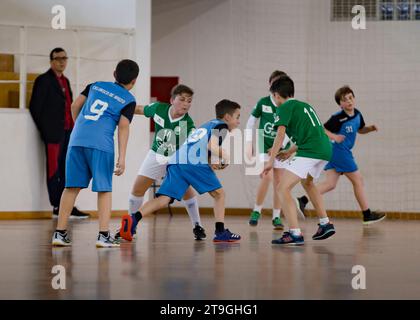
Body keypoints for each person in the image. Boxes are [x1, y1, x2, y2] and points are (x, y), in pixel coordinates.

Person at [118, 99, 242, 243]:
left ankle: (133, 219)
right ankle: (220, 232)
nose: (238, 121)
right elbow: (212, 145)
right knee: (219, 195)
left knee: (164, 199)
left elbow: (201, 147)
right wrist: (226, 156)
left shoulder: (207, 125)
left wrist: (211, 161)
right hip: (191, 162)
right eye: (237, 117)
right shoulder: (222, 126)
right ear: (227, 117)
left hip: (176, 160)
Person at [51, 59, 139, 248]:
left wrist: (80, 130)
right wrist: (122, 157)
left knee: (71, 187)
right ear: (134, 81)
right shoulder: (129, 99)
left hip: (76, 141)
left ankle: (59, 233)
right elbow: (123, 128)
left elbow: (74, 106)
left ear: (114, 73)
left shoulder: (95, 85)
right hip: (101, 144)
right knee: (104, 189)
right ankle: (103, 235)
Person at [118, 84, 205, 241]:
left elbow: (197, 147)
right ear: (172, 100)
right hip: (156, 155)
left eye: (189, 101)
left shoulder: (189, 125)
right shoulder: (158, 109)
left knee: (187, 192)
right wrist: (118, 107)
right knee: (137, 190)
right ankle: (131, 225)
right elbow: (137, 109)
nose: (186, 104)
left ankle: (197, 226)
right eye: (182, 99)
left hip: (176, 159)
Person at [295, 86, 385, 225]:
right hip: (339, 151)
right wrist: (334, 136)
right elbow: (321, 129)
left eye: (350, 97)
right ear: (340, 104)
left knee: (330, 184)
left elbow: (360, 129)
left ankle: (302, 200)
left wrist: (370, 129)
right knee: (358, 180)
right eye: (345, 100)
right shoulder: (338, 118)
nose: (349, 101)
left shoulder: (358, 114)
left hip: (336, 152)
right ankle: (367, 214)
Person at [262, 75, 335, 246]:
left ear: (277, 95)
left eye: (274, 97)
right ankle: (325, 223)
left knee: (282, 188)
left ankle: (294, 233)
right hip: (325, 149)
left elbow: (280, 134)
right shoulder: (305, 106)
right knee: (308, 183)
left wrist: (271, 159)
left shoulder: (284, 108)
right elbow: (310, 133)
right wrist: (289, 151)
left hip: (310, 151)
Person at [29, 47, 89, 219]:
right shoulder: (43, 80)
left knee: (66, 169)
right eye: (58, 58)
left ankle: (66, 206)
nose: (62, 61)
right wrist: (46, 130)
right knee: (54, 170)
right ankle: (57, 206)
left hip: (68, 132)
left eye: (64, 58)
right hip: (54, 135)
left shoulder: (66, 81)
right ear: (51, 61)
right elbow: (35, 107)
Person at [245, 70, 303, 229]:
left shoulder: (288, 104)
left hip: (281, 147)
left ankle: (276, 216)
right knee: (267, 177)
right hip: (264, 145)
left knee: (280, 182)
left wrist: (280, 145)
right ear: (270, 85)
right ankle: (257, 210)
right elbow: (250, 122)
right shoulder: (263, 102)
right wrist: (248, 143)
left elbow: (287, 129)